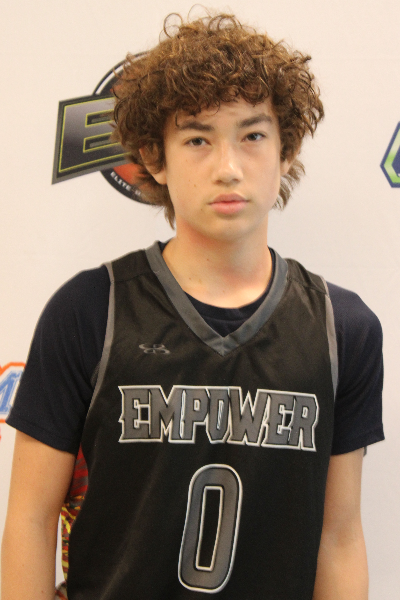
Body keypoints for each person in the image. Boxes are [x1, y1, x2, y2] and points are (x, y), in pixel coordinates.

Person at [1, 12, 384, 600]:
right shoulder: (89, 311)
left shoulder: (344, 329)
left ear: (285, 151)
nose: (228, 168)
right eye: (198, 139)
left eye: (252, 136)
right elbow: (30, 519)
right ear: (155, 158)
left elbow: (339, 536)